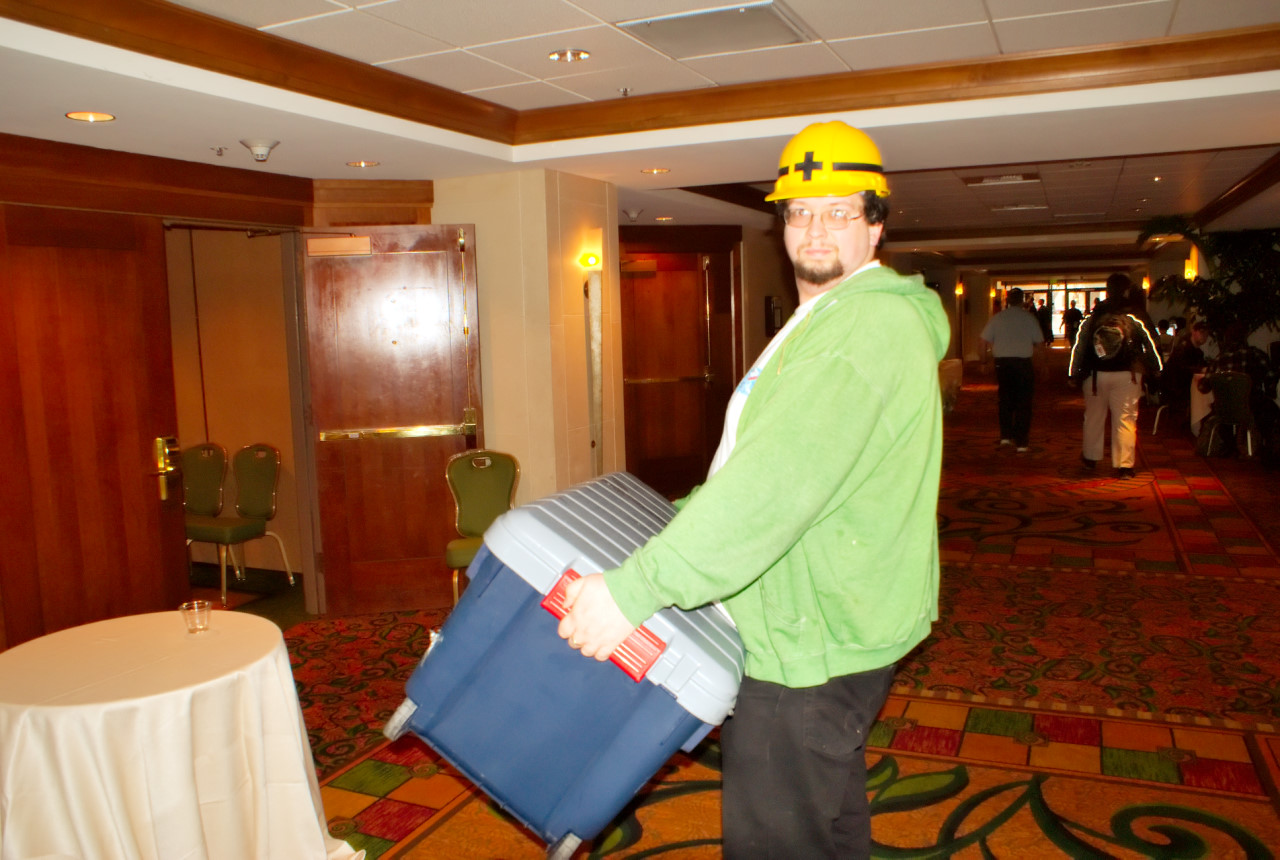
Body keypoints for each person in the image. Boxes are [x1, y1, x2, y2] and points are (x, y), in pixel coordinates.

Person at [555, 121, 950, 859]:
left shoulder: (862, 329)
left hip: (810, 642)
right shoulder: (828, 319)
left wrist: (634, 591)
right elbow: (764, 459)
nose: (816, 228)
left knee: (779, 842)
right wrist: (676, 519)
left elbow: (776, 486)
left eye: (839, 211)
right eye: (801, 212)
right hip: (828, 623)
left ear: (875, 225)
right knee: (826, 823)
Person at [1068, 273, 1162, 478]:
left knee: (1093, 417)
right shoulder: (1136, 315)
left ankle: (1090, 458)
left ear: (1108, 290)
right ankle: (1124, 466)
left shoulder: (1094, 316)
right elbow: (1151, 344)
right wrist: (1156, 369)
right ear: (1127, 290)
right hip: (1128, 375)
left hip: (1095, 376)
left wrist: (1074, 374)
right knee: (1125, 419)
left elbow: (1080, 345)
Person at [980, 287, 1045, 452]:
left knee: (1005, 400)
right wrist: (1042, 364)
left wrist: (983, 361)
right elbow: (1039, 344)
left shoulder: (998, 318)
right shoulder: (1029, 318)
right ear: (1022, 301)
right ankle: (1021, 442)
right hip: (1023, 363)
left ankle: (1006, 438)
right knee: (1024, 402)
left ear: (1008, 301)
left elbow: (983, 341)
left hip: (1003, 364)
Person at [1160, 320, 1209, 431]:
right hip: (1175, 388)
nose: (1204, 336)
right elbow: (1181, 370)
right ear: (1193, 331)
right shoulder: (1183, 348)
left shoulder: (1197, 352)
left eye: (1206, 334)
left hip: (1182, 387)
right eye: (1202, 332)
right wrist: (1201, 369)